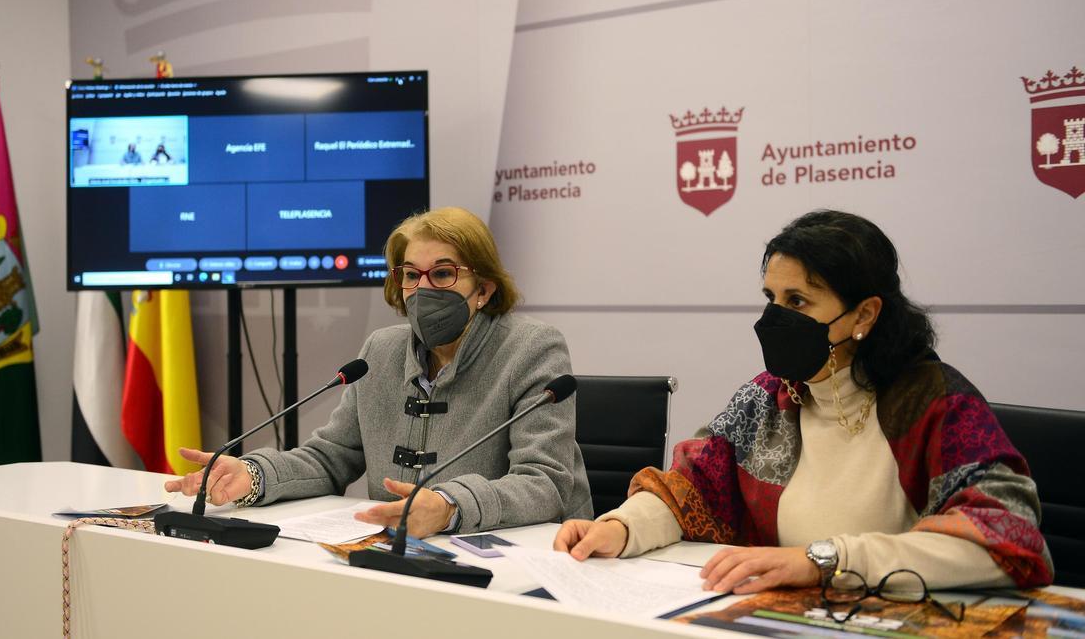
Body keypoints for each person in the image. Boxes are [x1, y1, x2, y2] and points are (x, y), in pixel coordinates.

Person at [554, 210, 1053, 593]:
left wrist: (826, 561)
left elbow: (1007, 538)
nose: (775, 318)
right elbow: (691, 491)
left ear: (865, 314)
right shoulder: (768, 397)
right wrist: (622, 526)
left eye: (797, 301)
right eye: (771, 298)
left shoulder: (933, 401)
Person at [166, 207, 593, 537]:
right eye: (411, 275)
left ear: (483, 289)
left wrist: (448, 507)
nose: (423, 289)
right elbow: (331, 457)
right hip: (399, 555)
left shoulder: (532, 349)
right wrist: (254, 475)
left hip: (514, 560)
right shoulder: (382, 351)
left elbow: (545, 484)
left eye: (443, 273)